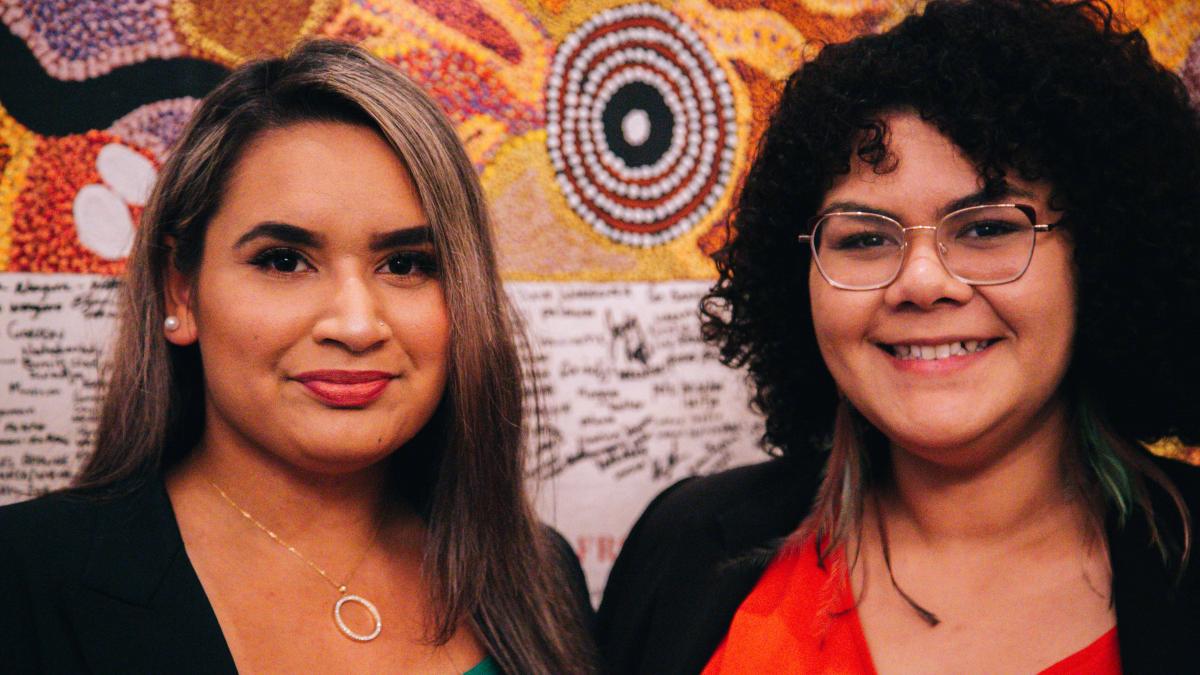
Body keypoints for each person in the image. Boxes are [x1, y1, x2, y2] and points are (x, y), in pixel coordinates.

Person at [598, 0, 1200, 672]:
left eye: (986, 228)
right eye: (865, 238)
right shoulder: (685, 544)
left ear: (1098, 259)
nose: (921, 281)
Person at [0, 39, 594, 674]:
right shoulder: (24, 577)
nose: (357, 324)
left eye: (406, 264)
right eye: (283, 261)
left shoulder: (539, 576)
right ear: (182, 289)